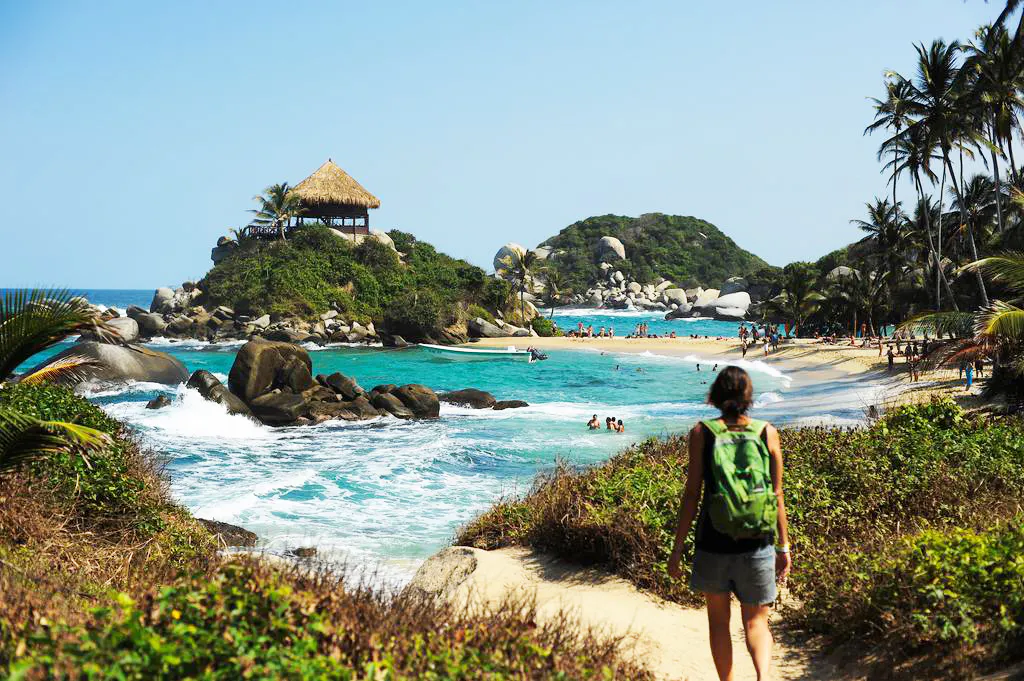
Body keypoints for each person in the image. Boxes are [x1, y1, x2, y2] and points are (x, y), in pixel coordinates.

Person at [667, 367, 791, 681]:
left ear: (716, 396)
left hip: (713, 542)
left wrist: (678, 548)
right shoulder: (767, 432)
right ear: (748, 396)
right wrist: (783, 546)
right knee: (757, 623)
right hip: (758, 541)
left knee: (719, 623)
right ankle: (763, 676)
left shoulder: (702, 432)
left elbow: (692, 495)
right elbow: (777, 493)